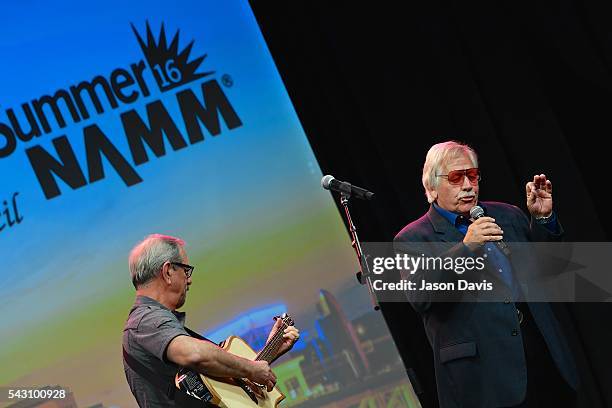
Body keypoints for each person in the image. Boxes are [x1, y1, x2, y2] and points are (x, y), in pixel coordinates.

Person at [394, 141, 578, 408]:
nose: (468, 185)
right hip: (485, 377)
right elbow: (421, 296)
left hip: (542, 358)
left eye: (472, 175)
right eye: (456, 177)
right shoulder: (412, 238)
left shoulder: (507, 215)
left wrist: (542, 220)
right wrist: (467, 247)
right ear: (431, 188)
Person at [123, 234, 299, 407]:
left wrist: (270, 351)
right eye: (186, 270)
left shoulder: (152, 324)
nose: (189, 280)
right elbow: (196, 354)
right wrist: (252, 369)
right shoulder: (145, 320)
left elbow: (218, 385)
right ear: (168, 271)